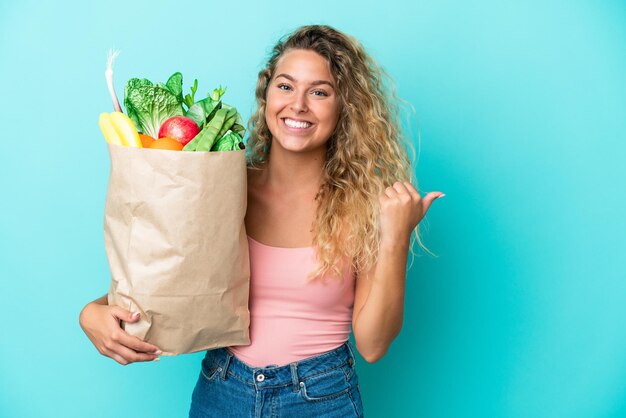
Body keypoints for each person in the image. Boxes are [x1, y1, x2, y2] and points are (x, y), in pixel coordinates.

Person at [79, 24, 444, 417]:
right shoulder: (219, 186)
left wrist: (395, 238)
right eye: (285, 86)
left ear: (345, 107)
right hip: (223, 390)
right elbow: (161, 280)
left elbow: (373, 345)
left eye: (319, 92)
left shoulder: (364, 205)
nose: (298, 104)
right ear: (266, 92)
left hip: (321, 398)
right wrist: (92, 312)